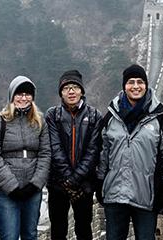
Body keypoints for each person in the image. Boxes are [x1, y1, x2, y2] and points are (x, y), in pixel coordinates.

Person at [96, 64, 163, 240]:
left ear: (146, 85)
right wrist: (99, 183)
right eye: (131, 82)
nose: (135, 86)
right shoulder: (112, 117)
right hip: (115, 194)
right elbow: (102, 153)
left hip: (146, 195)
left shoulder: (159, 116)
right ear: (124, 86)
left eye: (140, 82)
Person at [0, 76, 51, 240]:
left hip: (32, 190)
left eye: (28, 94)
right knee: (9, 235)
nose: (23, 98)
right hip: (6, 192)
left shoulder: (40, 122)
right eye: (19, 93)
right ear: (11, 96)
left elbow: (45, 153)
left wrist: (36, 184)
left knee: (30, 235)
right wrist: (11, 186)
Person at [45, 70, 102, 240]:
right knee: (58, 228)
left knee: (84, 228)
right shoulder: (53, 115)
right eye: (66, 88)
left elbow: (93, 151)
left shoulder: (94, 115)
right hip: (58, 183)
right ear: (61, 92)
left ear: (82, 91)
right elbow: (54, 148)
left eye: (75, 87)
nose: (71, 91)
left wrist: (76, 178)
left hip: (83, 184)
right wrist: (68, 178)